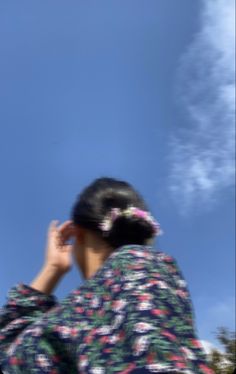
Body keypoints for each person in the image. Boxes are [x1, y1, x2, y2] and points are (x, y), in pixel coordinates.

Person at [0, 177, 214, 374]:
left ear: (79, 234)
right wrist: (52, 268)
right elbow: (6, 349)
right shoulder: (83, 308)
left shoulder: (136, 264)